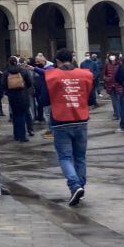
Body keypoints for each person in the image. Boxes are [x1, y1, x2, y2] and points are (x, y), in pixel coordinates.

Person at [42, 49, 93, 206]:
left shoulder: (51, 76)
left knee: (65, 157)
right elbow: (91, 99)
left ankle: (74, 185)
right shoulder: (86, 74)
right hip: (81, 118)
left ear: (57, 61)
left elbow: (44, 99)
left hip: (60, 120)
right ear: (72, 59)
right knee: (80, 157)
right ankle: (80, 187)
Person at [1, 56, 33, 142]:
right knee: (22, 115)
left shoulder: (6, 72)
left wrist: (8, 92)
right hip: (23, 95)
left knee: (15, 115)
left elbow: (3, 84)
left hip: (12, 96)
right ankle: (22, 136)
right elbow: (30, 82)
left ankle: (16, 135)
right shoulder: (23, 70)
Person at [102, 53, 123, 127]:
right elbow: (104, 74)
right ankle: (116, 114)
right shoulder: (107, 65)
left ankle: (120, 115)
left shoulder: (120, 64)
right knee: (114, 101)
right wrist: (106, 79)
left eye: (113, 55)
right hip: (110, 85)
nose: (112, 57)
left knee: (119, 101)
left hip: (118, 85)